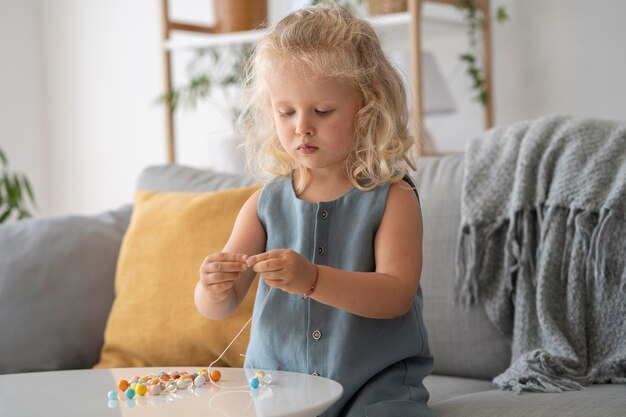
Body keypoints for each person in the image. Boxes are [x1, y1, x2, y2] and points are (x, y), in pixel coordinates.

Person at [194, 3, 433, 416]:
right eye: (286, 112)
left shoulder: (393, 199)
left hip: (375, 389)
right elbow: (223, 304)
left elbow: (396, 294)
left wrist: (313, 279)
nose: (302, 126)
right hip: (278, 390)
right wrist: (212, 288)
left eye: (322, 111)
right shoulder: (264, 204)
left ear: (368, 107)